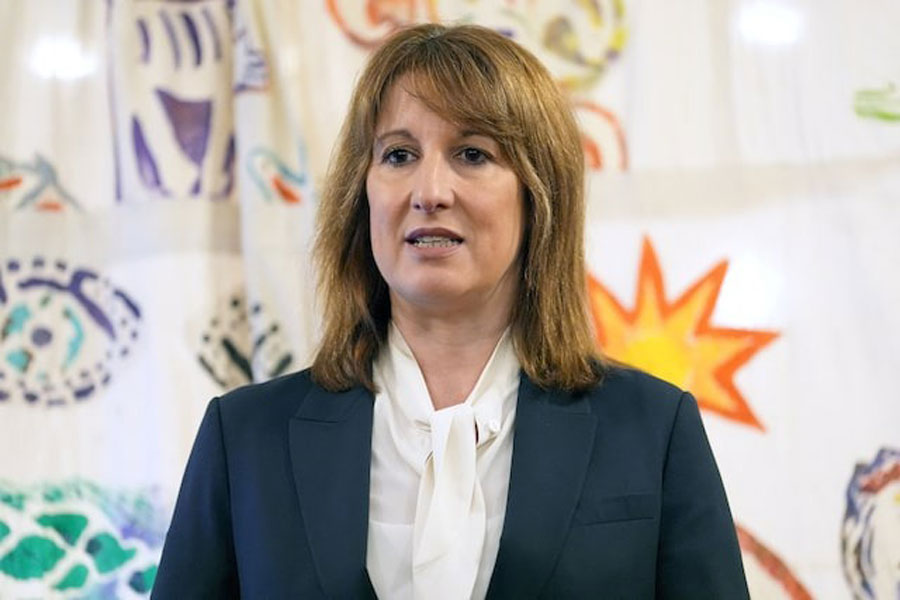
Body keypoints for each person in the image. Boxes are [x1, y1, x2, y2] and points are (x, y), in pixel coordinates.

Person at [152, 23, 749, 599]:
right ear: (361, 193)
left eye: (471, 153)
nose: (429, 189)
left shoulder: (651, 429)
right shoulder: (247, 440)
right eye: (398, 155)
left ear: (539, 195)